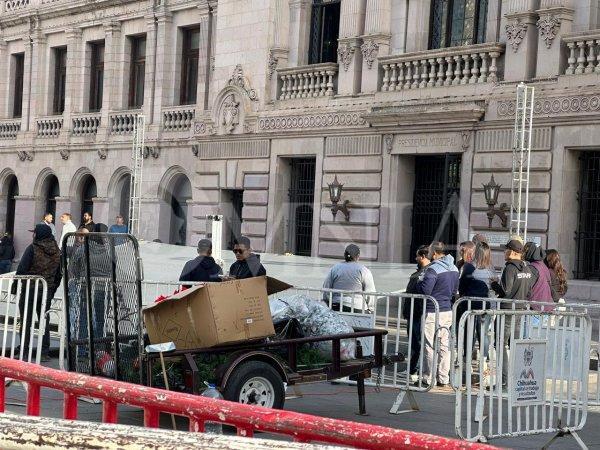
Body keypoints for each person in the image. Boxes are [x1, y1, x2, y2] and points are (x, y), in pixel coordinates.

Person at [491, 239, 536, 386]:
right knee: (514, 344)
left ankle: (504, 380)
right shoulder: (527, 268)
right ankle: (516, 377)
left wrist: (494, 284)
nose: (504, 252)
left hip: (507, 310)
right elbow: (529, 291)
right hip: (520, 310)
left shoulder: (510, 268)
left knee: (500, 343)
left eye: (506, 249)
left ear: (512, 252)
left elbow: (506, 290)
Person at [415, 241, 459, 388]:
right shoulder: (454, 268)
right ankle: (443, 377)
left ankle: (429, 378)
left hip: (432, 310)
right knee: (444, 346)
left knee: (429, 345)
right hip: (447, 310)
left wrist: (419, 282)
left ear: (434, 254)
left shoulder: (433, 269)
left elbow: (425, 290)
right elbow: (454, 292)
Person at [16, 224, 61, 361]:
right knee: (44, 320)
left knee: (26, 320)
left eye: (34, 233)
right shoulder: (57, 252)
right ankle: (44, 352)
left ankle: (24, 350)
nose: (33, 235)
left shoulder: (32, 248)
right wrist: (52, 290)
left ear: (38, 234)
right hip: (46, 290)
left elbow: (22, 269)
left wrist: (17, 284)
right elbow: (59, 274)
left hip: (30, 289)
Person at [322, 244, 376, 313]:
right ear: (358, 256)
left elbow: (326, 287)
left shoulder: (335, 268)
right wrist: (371, 309)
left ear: (344, 255)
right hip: (357, 307)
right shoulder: (363, 270)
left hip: (336, 306)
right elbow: (370, 292)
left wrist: (328, 302)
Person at [403, 245, 430, 382]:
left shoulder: (426, 272)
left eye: (417, 256)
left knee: (417, 343)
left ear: (423, 257)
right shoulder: (420, 271)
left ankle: (415, 370)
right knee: (414, 342)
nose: (415, 258)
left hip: (418, 313)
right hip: (412, 312)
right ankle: (412, 368)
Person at [523, 242, 553, 311]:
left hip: (535, 309)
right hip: (546, 307)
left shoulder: (532, 268)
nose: (523, 253)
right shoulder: (543, 266)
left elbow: (526, 288)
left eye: (525, 251)